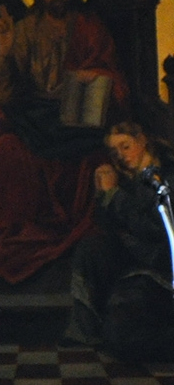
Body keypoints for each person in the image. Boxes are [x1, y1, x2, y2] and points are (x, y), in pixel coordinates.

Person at [0, 0, 126, 283]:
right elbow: (0, 92)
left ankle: (85, 238)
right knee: (7, 148)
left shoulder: (90, 27)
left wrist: (95, 75)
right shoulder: (24, 30)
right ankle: (21, 230)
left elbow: (113, 76)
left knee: (95, 156)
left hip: (75, 115)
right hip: (32, 114)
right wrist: (3, 51)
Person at [67, 120, 174, 363]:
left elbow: (156, 229)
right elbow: (108, 227)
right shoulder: (128, 178)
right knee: (90, 247)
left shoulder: (166, 176)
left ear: (142, 140)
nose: (121, 156)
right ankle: (84, 330)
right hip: (133, 264)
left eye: (126, 147)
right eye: (115, 152)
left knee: (123, 337)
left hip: (161, 270)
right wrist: (103, 194)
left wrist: (115, 195)